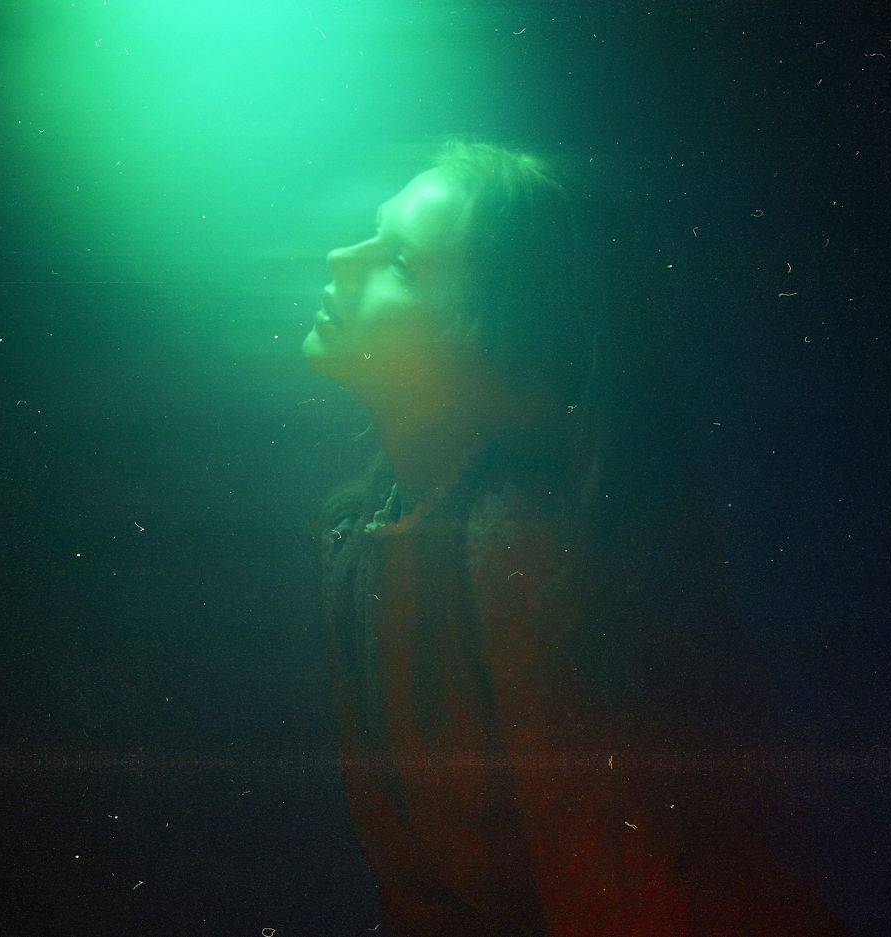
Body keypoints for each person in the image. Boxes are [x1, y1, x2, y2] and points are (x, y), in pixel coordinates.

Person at [302, 137, 845, 936]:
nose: (341, 258)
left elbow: (611, 890)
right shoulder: (361, 523)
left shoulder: (514, 537)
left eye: (402, 263)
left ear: (505, 355)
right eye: (373, 235)